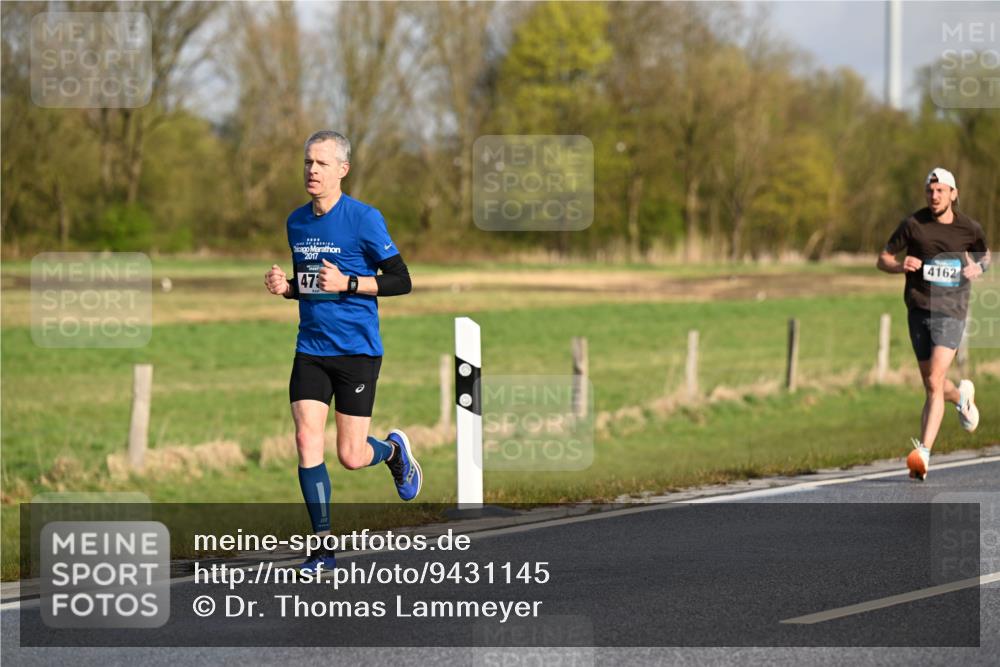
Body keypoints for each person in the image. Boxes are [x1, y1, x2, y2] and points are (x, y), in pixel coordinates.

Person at [264, 130, 421, 570]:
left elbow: (401, 280)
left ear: (343, 170)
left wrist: (351, 282)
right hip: (311, 348)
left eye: (322, 164)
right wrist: (287, 287)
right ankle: (322, 547)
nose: (312, 171)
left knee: (350, 456)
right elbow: (312, 287)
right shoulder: (297, 222)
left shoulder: (364, 219)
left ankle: (393, 451)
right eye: (308, 163)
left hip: (356, 352)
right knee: (305, 439)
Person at [877, 167, 990, 480]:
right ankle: (962, 397)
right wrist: (900, 265)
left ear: (953, 194)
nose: (934, 196)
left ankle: (922, 454)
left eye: (941, 190)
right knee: (933, 383)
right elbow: (882, 258)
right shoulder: (913, 224)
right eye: (930, 191)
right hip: (918, 308)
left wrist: (978, 269)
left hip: (951, 309)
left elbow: (985, 255)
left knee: (934, 379)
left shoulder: (969, 228)